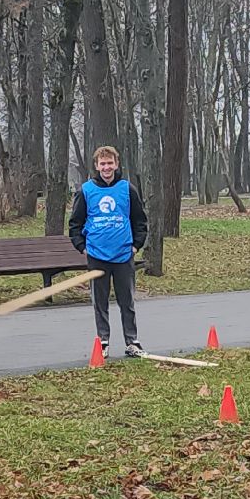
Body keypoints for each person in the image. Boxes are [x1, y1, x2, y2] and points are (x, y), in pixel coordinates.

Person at [69, 146, 149, 357]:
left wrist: (136, 245)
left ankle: (132, 341)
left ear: (116, 164)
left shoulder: (127, 189)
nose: (106, 167)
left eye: (110, 163)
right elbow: (75, 223)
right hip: (97, 256)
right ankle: (103, 341)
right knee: (100, 301)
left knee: (127, 301)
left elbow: (139, 220)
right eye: (102, 164)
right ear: (96, 166)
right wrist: (82, 247)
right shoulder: (86, 191)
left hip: (123, 255)